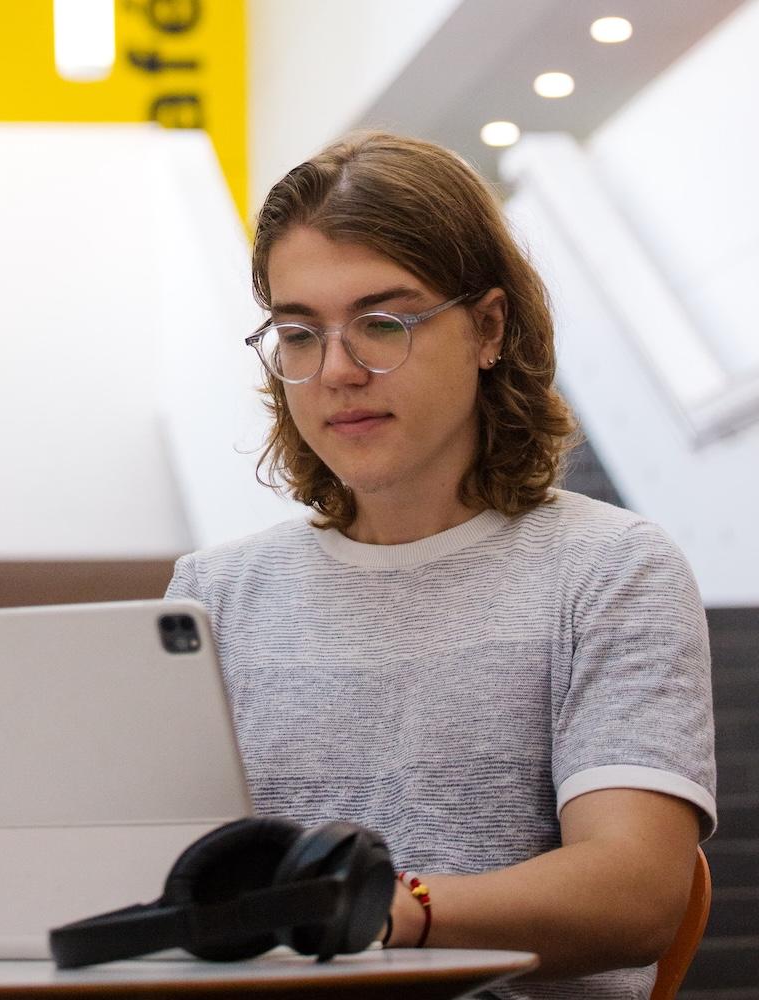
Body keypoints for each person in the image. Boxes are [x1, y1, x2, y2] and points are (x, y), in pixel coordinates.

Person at [165, 131, 716, 997]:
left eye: (383, 323)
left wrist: (389, 912)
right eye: (300, 333)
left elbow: (635, 895)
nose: (337, 371)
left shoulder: (610, 570)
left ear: (489, 327)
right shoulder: (213, 595)